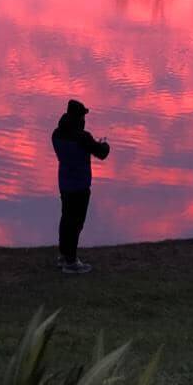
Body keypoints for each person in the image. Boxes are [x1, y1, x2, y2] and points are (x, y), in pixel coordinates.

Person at [51, 99, 110, 275]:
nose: (85, 119)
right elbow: (102, 153)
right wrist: (104, 144)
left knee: (66, 220)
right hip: (80, 186)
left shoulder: (56, 134)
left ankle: (64, 256)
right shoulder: (82, 137)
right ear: (79, 117)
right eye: (83, 115)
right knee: (76, 223)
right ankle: (71, 262)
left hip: (64, 184)